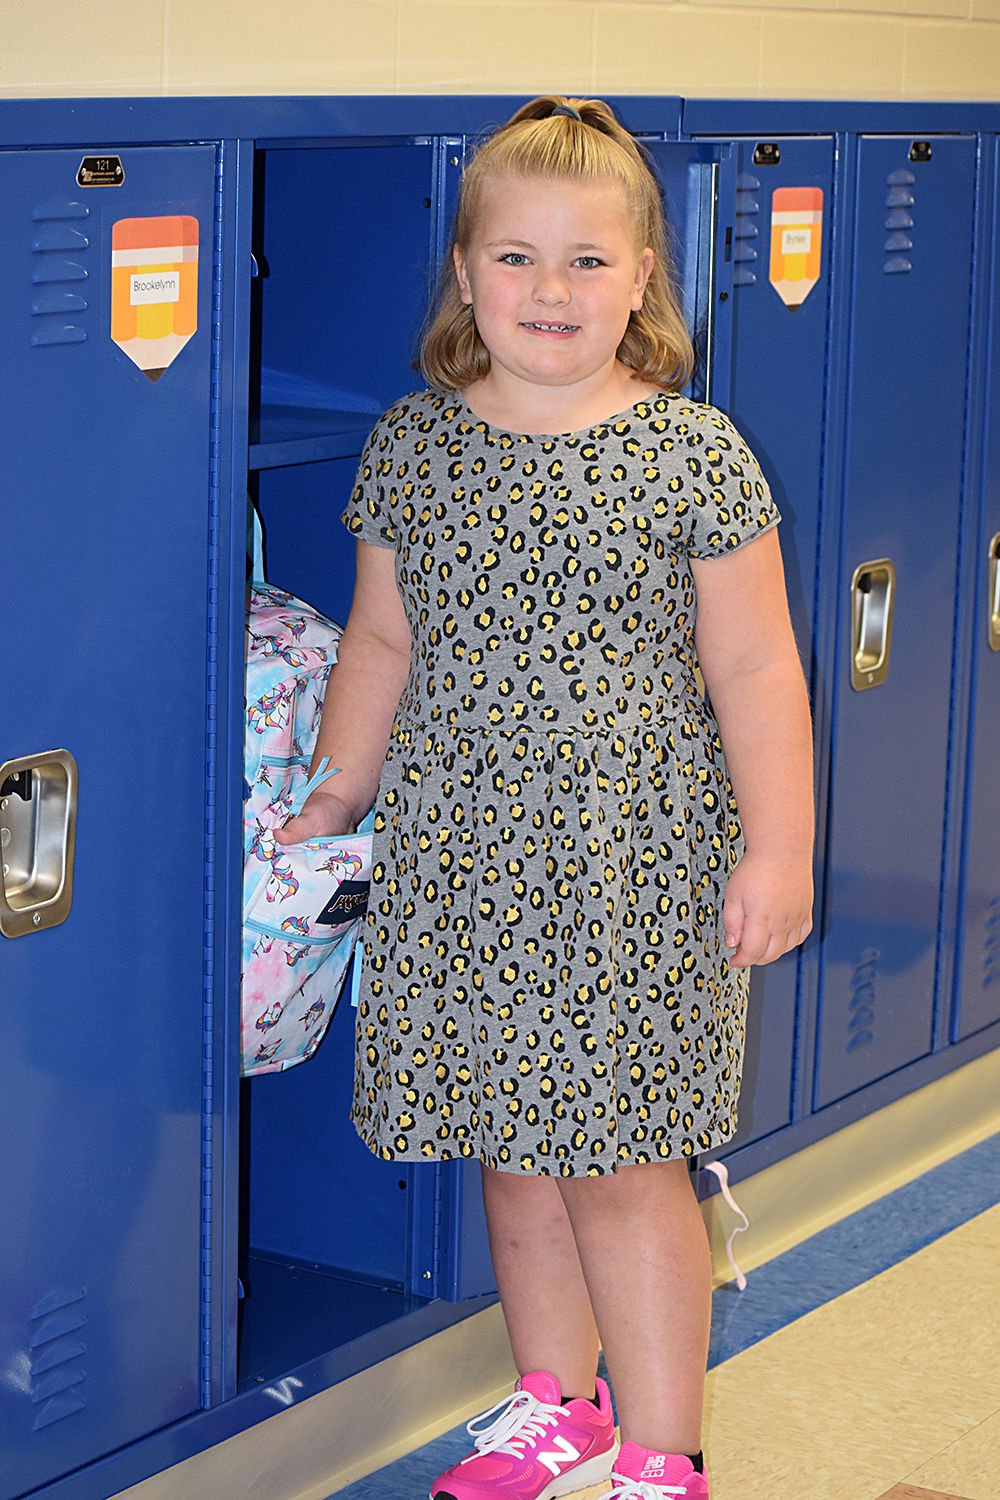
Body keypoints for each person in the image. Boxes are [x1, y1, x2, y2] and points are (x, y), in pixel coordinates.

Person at [277, 95, 813, 1500]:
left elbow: (758, 667)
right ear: (464, 274)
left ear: (645, 277)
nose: (550, 291)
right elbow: (382, 643)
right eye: (516, 258)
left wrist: (781, 855)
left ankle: (659, 1448)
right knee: (509, 1157)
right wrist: (334, 800)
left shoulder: (694, 456)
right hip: (463, 865)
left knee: (623, 1164)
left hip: (629, 868)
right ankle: (553, 1405)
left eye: (588, 260)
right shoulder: (417, 445)